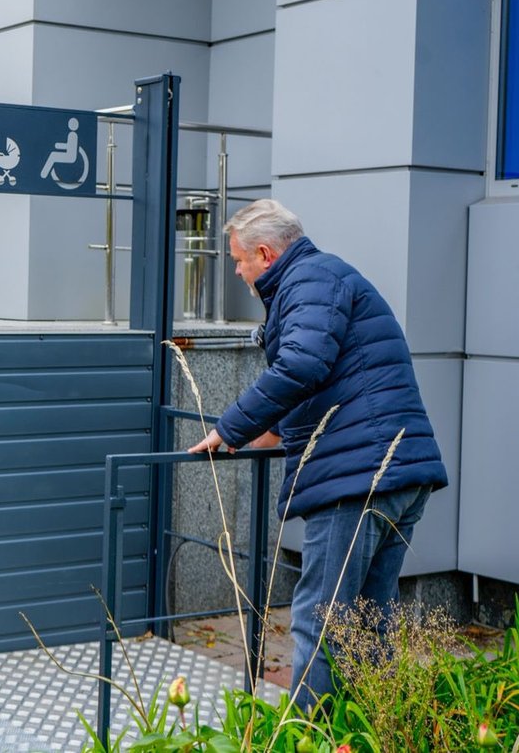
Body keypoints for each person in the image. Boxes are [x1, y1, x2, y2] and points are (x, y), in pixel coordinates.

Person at [188, 199, 447, 712]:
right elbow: (331, 374)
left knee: (321, 620)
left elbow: (301, 367)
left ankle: (308, 734)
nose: (237, 272)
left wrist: (229, 428)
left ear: (265, 254)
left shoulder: (309, 280)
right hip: (394, 471)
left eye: (239, 260)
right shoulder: (323, 278)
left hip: (357, 479)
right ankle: (371, 729)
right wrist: (274, 432)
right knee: (368, 620)